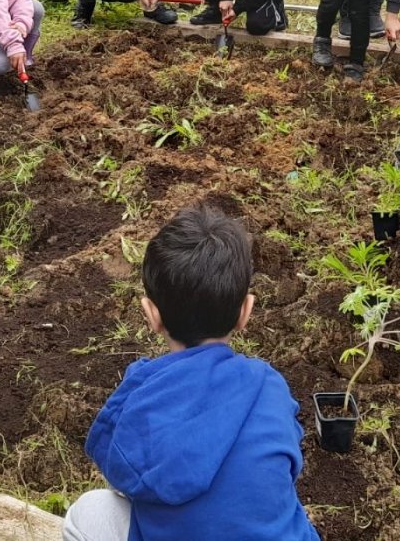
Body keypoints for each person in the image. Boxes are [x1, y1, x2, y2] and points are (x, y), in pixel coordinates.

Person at [62, 205, 320, 541]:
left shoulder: (142, 390)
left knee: (88, 511)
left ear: (151, 315)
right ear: (246, 311)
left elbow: (123, 475)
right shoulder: (268, 385)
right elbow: (286, 466)